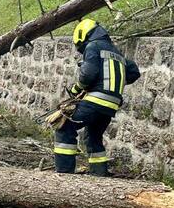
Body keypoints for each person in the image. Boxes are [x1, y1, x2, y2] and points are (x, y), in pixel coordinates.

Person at [54, 19, 140, 176]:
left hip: (95, 101)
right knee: (93, 137)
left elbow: (88, 74)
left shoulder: (93, 46)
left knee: (64, 127)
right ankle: (99, 175)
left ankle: (64, 174)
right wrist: (115, 82)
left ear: (83, 36)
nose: (82, 50)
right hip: (110, 107)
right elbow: (134, 71)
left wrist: (75, 89)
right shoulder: (116, 52)